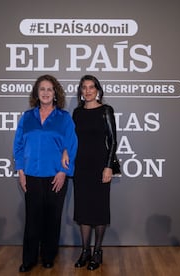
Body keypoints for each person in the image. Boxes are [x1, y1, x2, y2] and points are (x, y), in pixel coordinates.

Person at [13, 74, 78, 273]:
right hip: (31, 175)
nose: (46, 93)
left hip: (55, 176)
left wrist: (63, 172)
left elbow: (72, 145)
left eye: (50, 89)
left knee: (52, 219)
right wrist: (20, 171)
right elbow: (18, 146)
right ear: (37, 93)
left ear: (55, 93)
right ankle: (29, 259)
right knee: (33, 220)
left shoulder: (64, 118)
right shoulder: (27, 117)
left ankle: (49, 256)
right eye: (42, 89)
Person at [63, 75, 118, 270]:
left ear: (98, 90)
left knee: (99, 210)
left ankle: (97, 251)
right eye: (84, 87)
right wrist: (65, 152)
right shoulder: (77, 113)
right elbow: (71, 139)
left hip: (100, 167)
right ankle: (85, 250)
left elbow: (113, 140)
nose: (87, 91)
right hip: (81, 167)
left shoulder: (106, 111)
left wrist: (109, 166)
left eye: (91, 87)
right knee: (83, 210)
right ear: (80, 91)